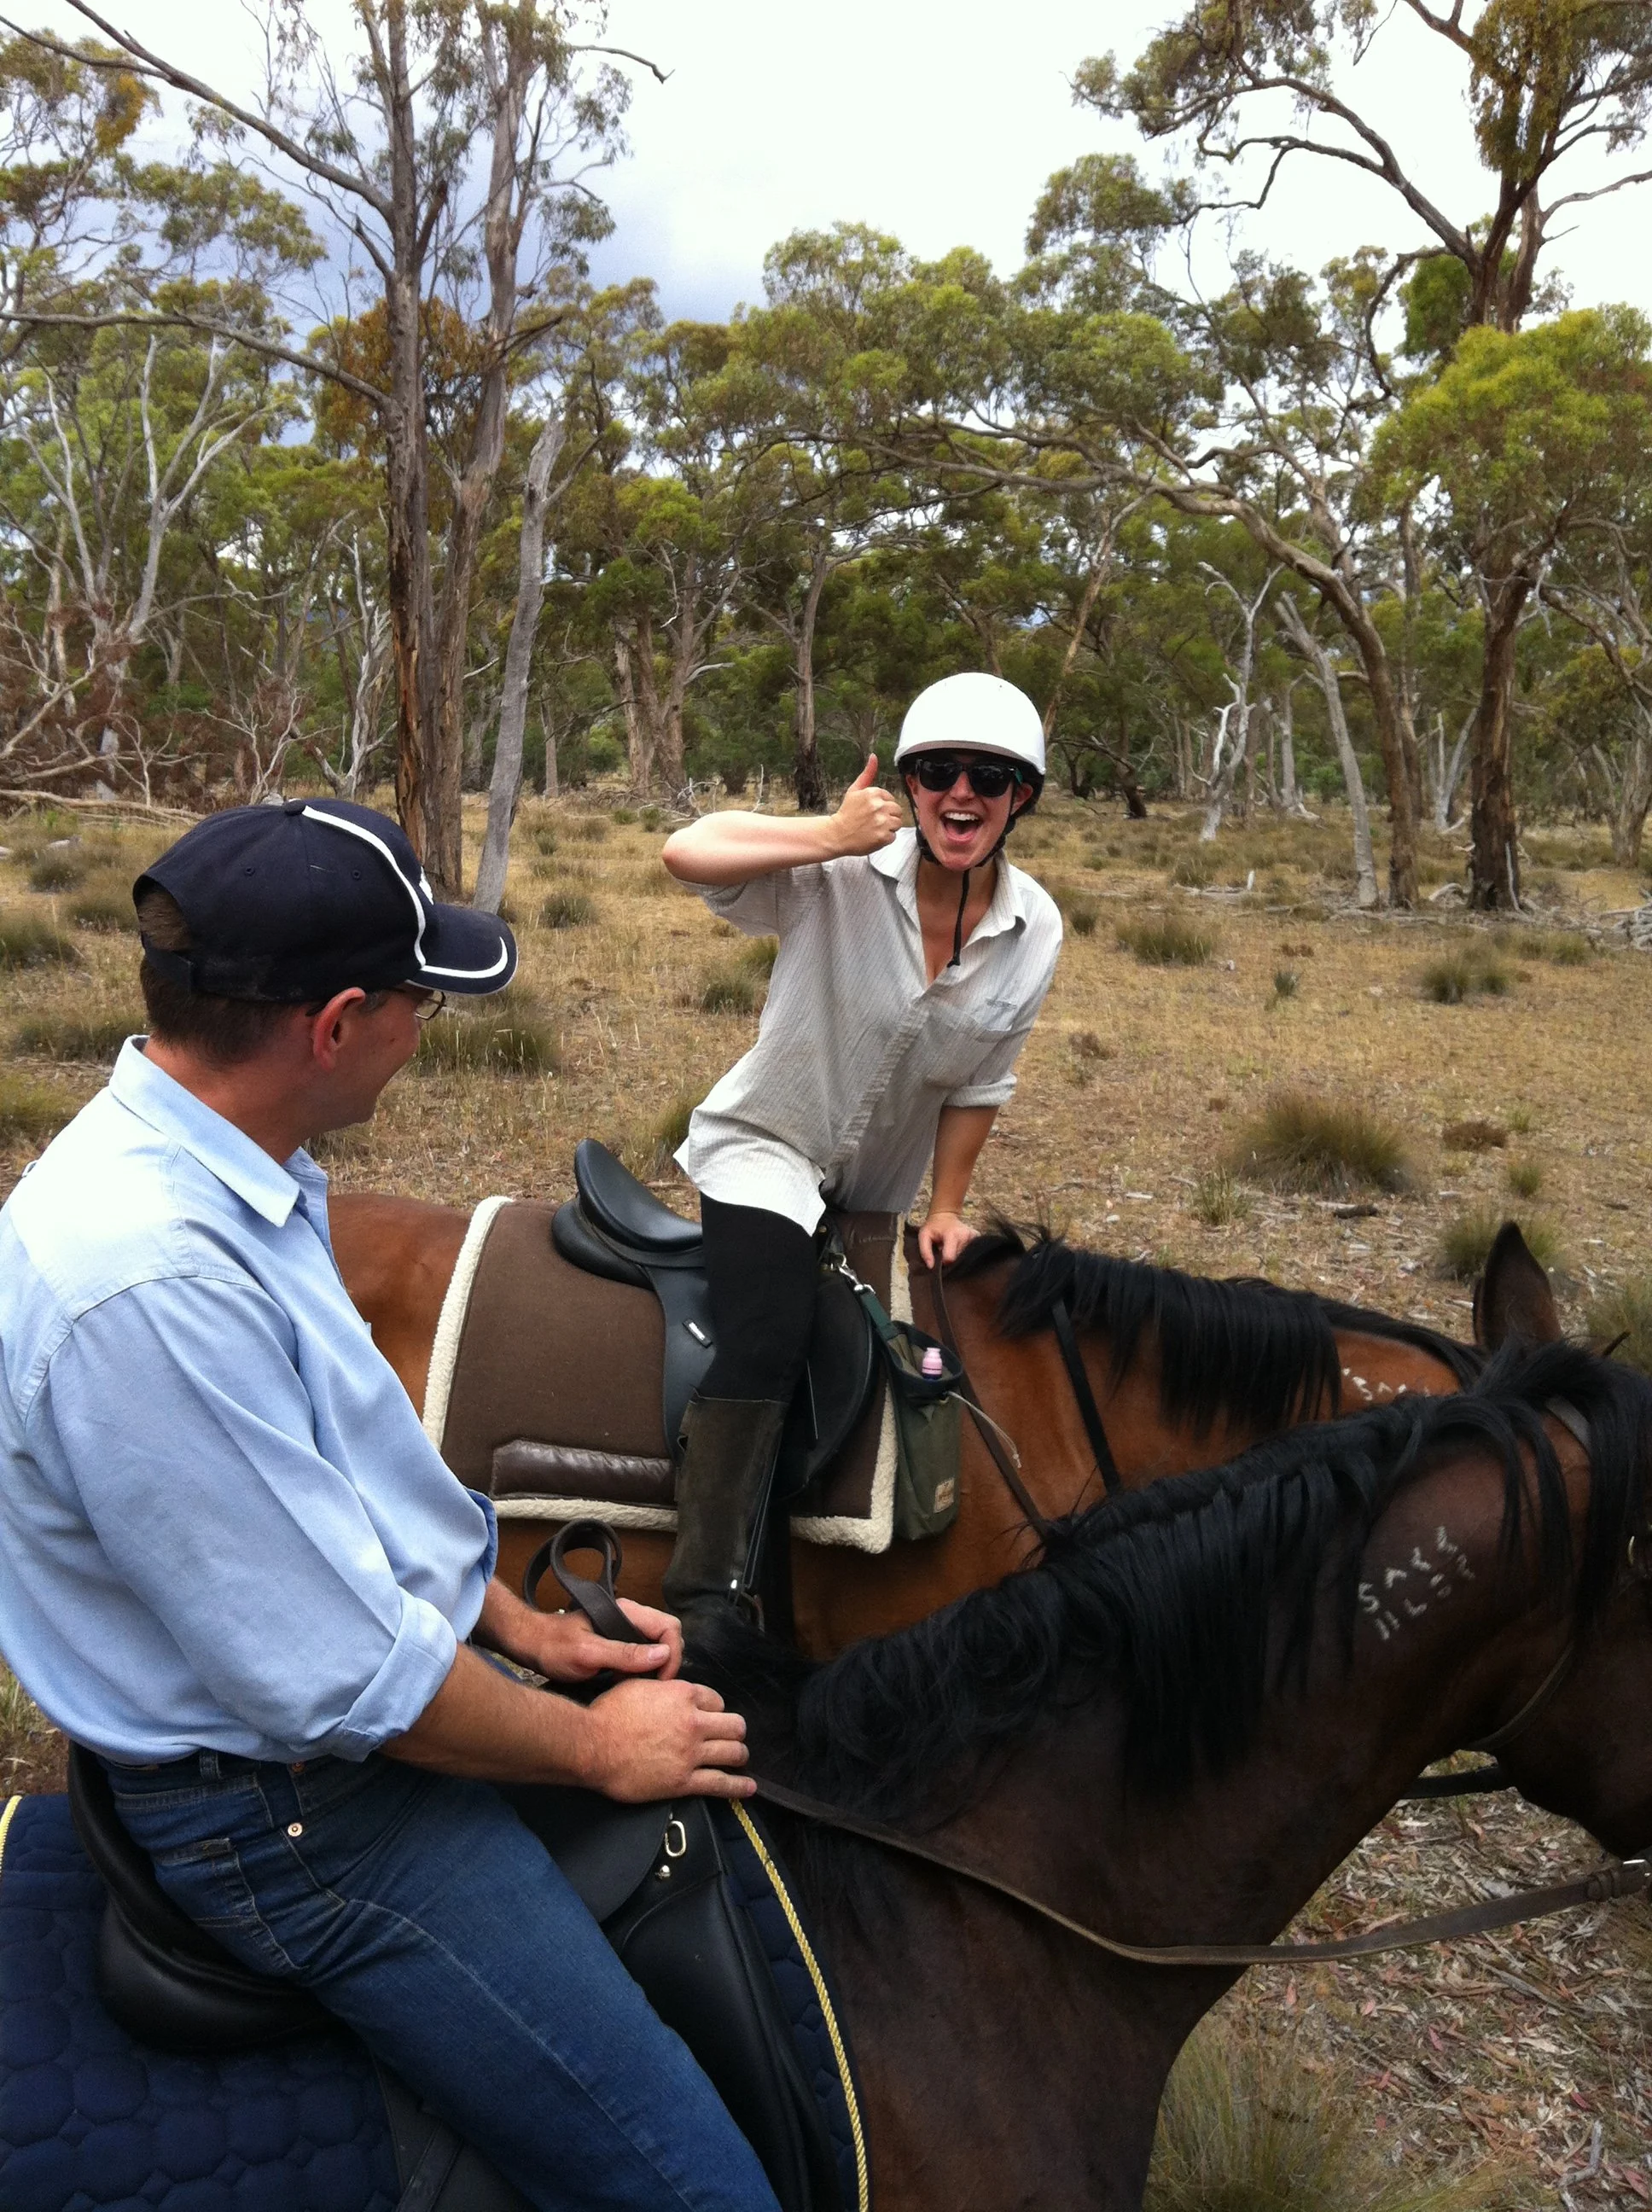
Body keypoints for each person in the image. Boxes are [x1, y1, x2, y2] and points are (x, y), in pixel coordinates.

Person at [0, 797, 779, 2212]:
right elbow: (347, 1682)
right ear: (337, 1023)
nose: (429, 1028)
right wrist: (600, 1752)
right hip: (290, 1818)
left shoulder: (225, 1165)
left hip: (319, 1719)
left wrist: (515, 1625)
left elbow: (335, 1475)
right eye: (422, 998)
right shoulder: (152, 1282)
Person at [659, 671, 1063, 1623]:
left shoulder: (1033, 929)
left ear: (1021, 799)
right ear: (911, 785)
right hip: (767, 1149)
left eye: (990, 778)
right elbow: (686, 851)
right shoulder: (839, 872)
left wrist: (949, 1205)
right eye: (939, 771)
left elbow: (981, 1081)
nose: (961, 793)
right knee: (770, 1334)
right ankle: (709, 1595)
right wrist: (830, 835)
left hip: (874, 1194)